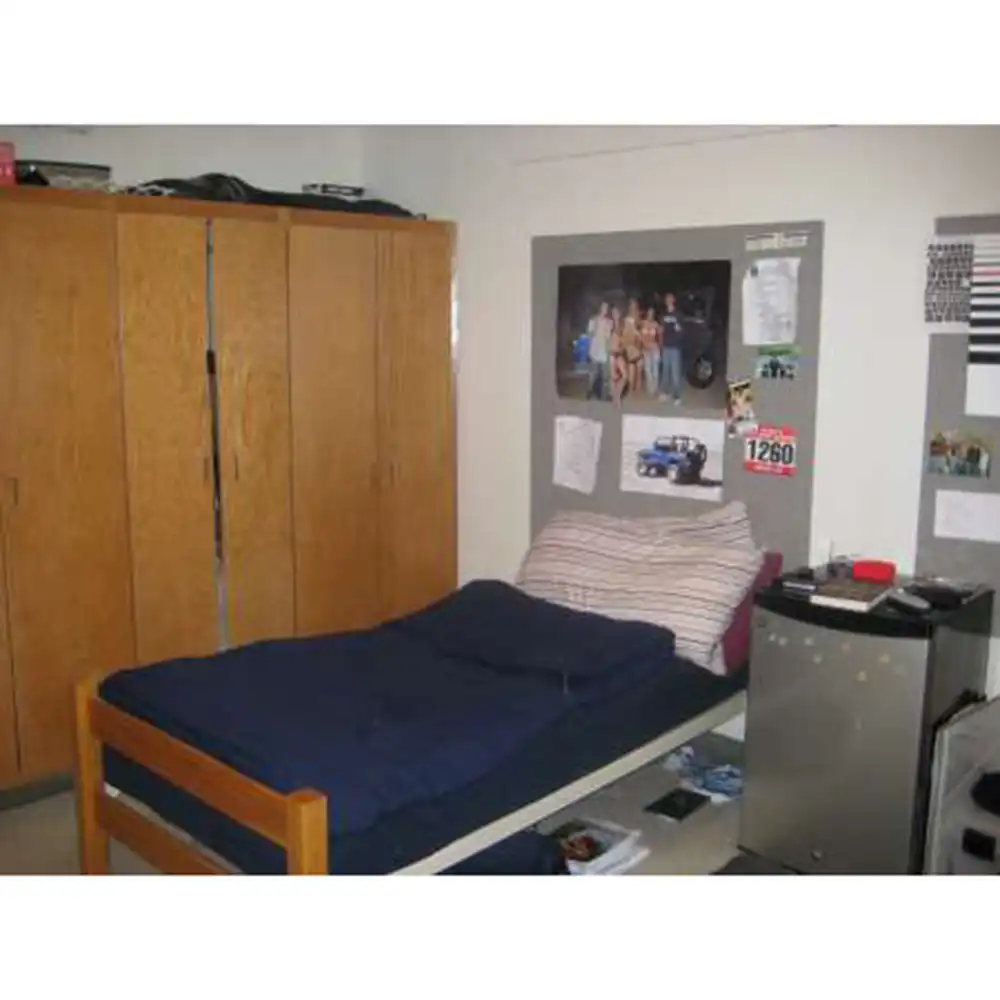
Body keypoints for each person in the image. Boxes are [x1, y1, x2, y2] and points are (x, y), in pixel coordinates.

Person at [658, 292, 684, 405]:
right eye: (666, 298)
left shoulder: (678, 314)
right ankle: (664, 393)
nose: (667, 300)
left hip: (675, 347)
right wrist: (660, 344)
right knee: (665, 371)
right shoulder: (663, 315)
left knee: (675, 373)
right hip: (665, 346)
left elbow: (681, 330)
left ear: (673, 300)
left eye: (670, 298)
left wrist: (678, 327)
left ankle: (676, 396)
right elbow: (661, 330)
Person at [586, 302, 613, 400]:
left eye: (607, 307)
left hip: (604, 350)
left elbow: (609, 338)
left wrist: (609, 350)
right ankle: (590, 391)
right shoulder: (593, 320)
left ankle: (605, 394)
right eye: (604, 307)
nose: (605, 309)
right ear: (600, 308)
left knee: (605, 374)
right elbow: (589, 335)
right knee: (593, 373)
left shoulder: (609, 322)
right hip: (595, 349)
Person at [622, 299, 643, 396]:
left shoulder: (637, 318)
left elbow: (639, 333)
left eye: (634, 305)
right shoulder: (627, 318)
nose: (633, 307)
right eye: (631, 305)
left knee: (637, 369)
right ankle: (631, 389)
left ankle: (635, 390)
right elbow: (625, 333)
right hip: (629, 346)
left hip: (636, 346)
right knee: (631, 368)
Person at [640, 307, 661, 397]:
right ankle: (650, 388)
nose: (650, 315)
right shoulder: (643, 323)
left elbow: (660, 337)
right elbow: (640, 337)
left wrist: (659, 347)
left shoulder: (656, 325)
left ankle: (654, 388)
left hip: (654, 348)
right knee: (648, 369)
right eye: (649, 313)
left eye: (652, 314)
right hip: (645, 349)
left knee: (655, 369)